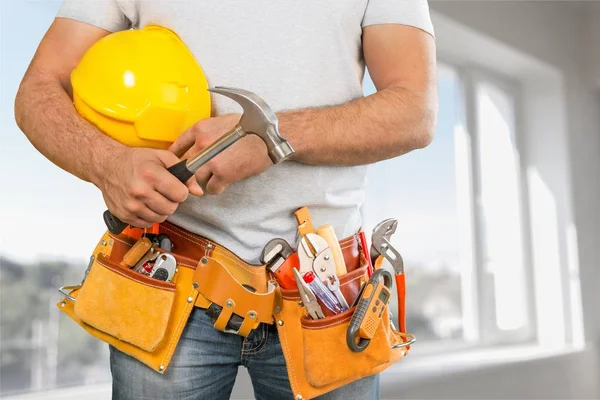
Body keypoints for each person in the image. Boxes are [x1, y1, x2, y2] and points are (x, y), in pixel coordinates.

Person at [15, 1, 437, 399]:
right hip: (168, 275)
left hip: (325, 295)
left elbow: (414, 110)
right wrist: (107, 163)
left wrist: (275, 137)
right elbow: (39, 88)